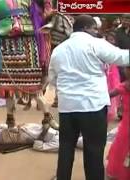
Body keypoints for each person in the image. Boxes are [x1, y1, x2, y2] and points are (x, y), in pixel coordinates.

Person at [48, 15, 129, 180]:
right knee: (93, 151)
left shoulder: (58, 50)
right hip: (92, 107)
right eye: (94, 29)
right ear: (86, 28)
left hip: (67, 108)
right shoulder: (95, 44)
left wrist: (68, 90)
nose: (96, 32)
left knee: (66, 149)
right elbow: (122, 57)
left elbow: (53, 79)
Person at [106, 67, 130, 180]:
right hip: (125, 124)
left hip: (126, 126)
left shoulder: (125, 86)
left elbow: (108, 95)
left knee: (121, 150)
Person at [115, 14, 130, 82]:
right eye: (123, 20)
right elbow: (116, 43)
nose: (125, 22)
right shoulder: (118, 31)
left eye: (127, 20)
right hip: (122, 58)